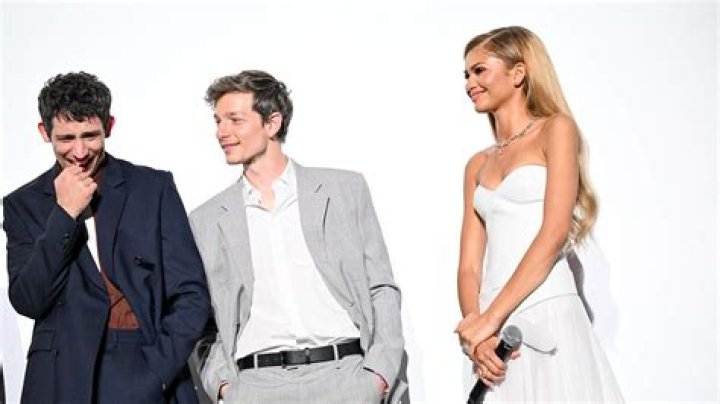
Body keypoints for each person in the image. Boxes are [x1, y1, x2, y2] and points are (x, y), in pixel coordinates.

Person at [189, 70, 406, 404]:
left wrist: (378, 374)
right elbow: (202, 321)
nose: (221, 132)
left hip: (346, 378)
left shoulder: (344, 190)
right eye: (218, 121)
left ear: (272, 123)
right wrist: (224, 387)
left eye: (235, 120)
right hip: (256, 388)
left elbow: (381, 287)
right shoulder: (206, 219)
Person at [3, 72, 211, 403]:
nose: (79, 152)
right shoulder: (23, 205)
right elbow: (28, 300)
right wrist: (64, 215)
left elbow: (191, 294)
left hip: (139, 360)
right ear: (44, 132)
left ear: (109, 126)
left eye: (90, 136)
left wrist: (156, 370)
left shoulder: (152, 188)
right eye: (66, 138)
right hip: (60, 376)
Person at [454, 26, 624, 401]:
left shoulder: (556, 130)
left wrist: (489, 320)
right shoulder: (476, 165)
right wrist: (476, 334)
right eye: (466, 74)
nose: (469, 83)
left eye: (479, 71)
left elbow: (554, 233)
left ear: (518, 73)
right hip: (492, 332)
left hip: (547, 308)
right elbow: (468, 267)